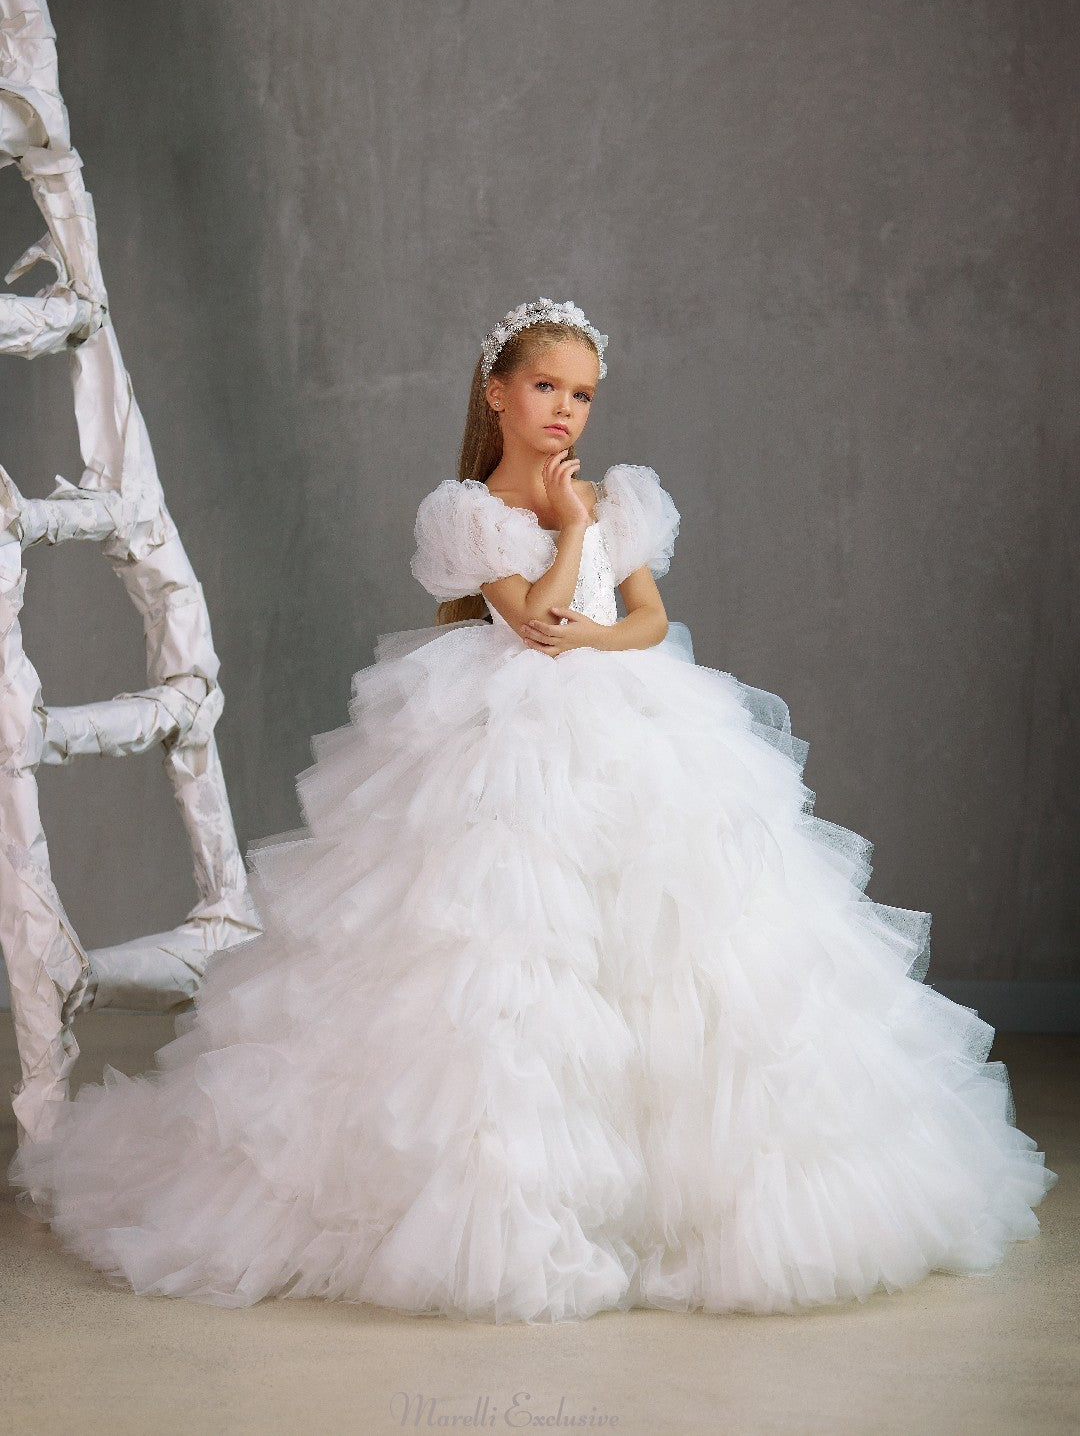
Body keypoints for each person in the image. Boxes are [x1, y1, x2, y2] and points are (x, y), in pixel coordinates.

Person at [8, 296, 1057, 1323]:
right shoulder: (465, 513)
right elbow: (531, 617)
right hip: (496, 736)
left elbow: (640, 619)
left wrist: (596, 617)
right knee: (506, 948)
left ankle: (672, 1197)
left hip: (631, 723)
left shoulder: (621, 500)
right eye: (547, 387)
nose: (566, 411)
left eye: (584, 395)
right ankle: (503, 1192)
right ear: (498, 393)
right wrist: (562, 529)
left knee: (681, 935)